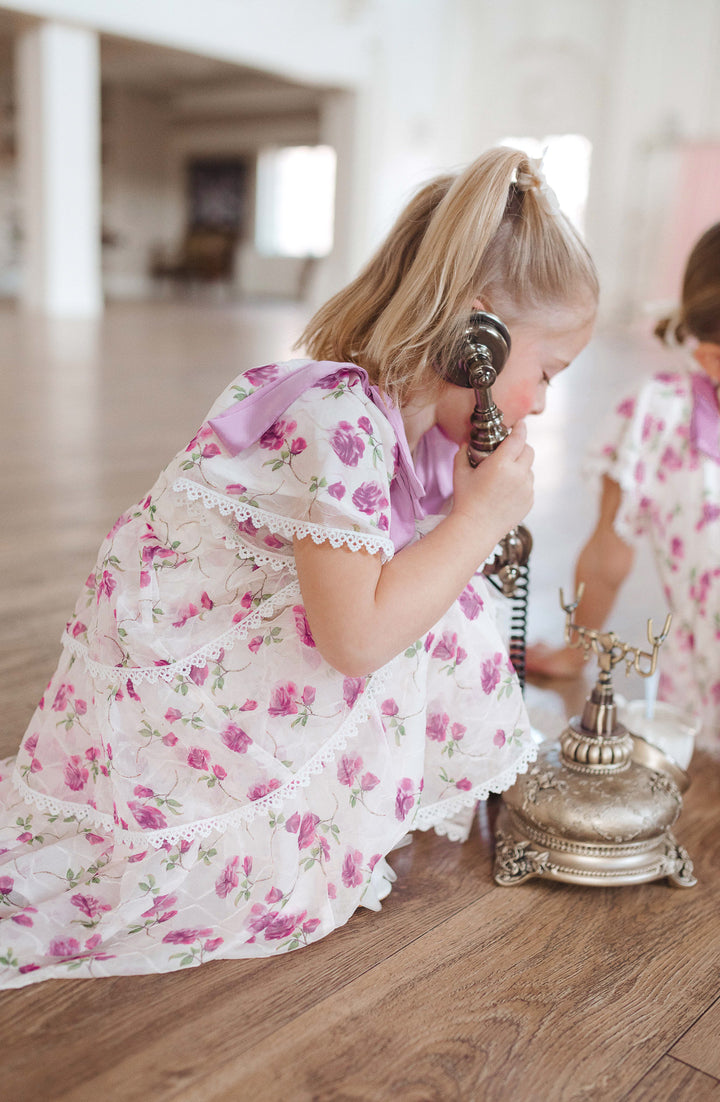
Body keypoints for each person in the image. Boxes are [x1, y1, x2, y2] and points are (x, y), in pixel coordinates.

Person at [0, 148, 597, 987]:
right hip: (186, 702)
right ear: (481, 339)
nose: (538, 404)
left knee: (449, 587)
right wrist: (479, 519)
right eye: (546, 374)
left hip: (232, 659)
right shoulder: (336, 417)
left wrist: (459, 522)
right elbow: (355, 641)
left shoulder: (402, 429)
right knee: (447, 575)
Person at [527, 223, 720, 746]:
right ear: (711, 359)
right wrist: (576, 650)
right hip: (705, 695)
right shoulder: (660, 417)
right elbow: (606, 559)